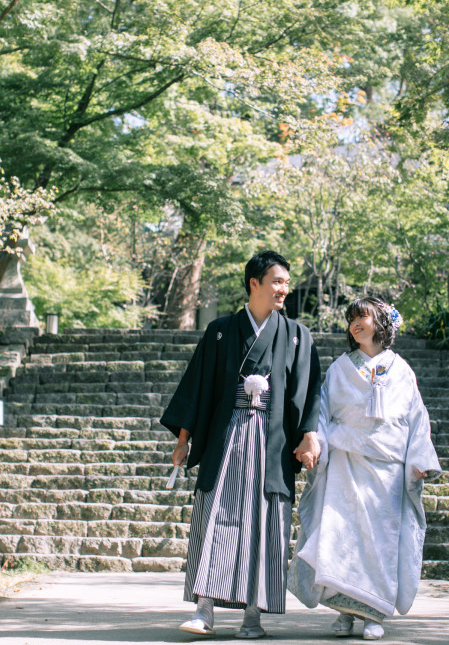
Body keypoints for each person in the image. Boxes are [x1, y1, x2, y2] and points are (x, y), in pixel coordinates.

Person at [160, 250, 321, 639]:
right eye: (277, 281)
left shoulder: (298, 335)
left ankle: (253, 615)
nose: (284, 289)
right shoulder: (219, 330)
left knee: (265, 522)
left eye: (286, 281)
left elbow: (309, 392)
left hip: (273, 440)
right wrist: (183, 440)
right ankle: (204, 609)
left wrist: (309, 436)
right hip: (226, 435)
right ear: (255, 283)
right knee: (215, 514)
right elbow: (197, 387)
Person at [288, 297, 441, 641]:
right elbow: (323, 413)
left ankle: (374, 613)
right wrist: (317, 444)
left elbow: (417, 419)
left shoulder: (401, 370)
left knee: (380, 543)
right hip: (345, 463)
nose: (355, 324)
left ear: (381, 323)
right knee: (342, 539)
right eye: (351, 319)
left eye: (362, 317)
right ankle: (345, 611)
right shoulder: (341, 367)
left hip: (387, 469)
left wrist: (420, 460)